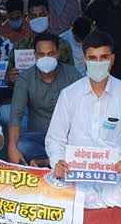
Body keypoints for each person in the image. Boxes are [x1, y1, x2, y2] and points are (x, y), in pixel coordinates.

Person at [45, 31, 121, 209]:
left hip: (116, 174)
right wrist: (57, 162)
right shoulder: (69, 94)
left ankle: (93, 200)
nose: (98, 63)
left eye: (103, 57)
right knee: (49, 179)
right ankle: (111, 198)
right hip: (78, 175)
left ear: (112, 59)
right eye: (92, 58)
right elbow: (55, 139)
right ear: (84, 61)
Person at [8, 33, 81, 166]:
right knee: (22, 146)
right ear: (35, 55)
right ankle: (59, 161)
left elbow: (84, 109)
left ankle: (47, 162)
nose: (46, 58)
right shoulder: (25, 78)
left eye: (51, 53)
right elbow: (15, 115)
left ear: (58, 54)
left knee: (82, 147)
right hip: (39, 136)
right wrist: (12, 147)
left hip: (67, 138)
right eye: (41, 54)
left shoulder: (72, 75)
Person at [5, 0, 73, 85]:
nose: (38, 19)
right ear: (28, 19)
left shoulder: (63, 45)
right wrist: (11, 79)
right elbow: (7, 79)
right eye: (33, 16)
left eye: (42, 15)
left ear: (49, 16)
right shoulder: (19, 46)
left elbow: (72, 78)